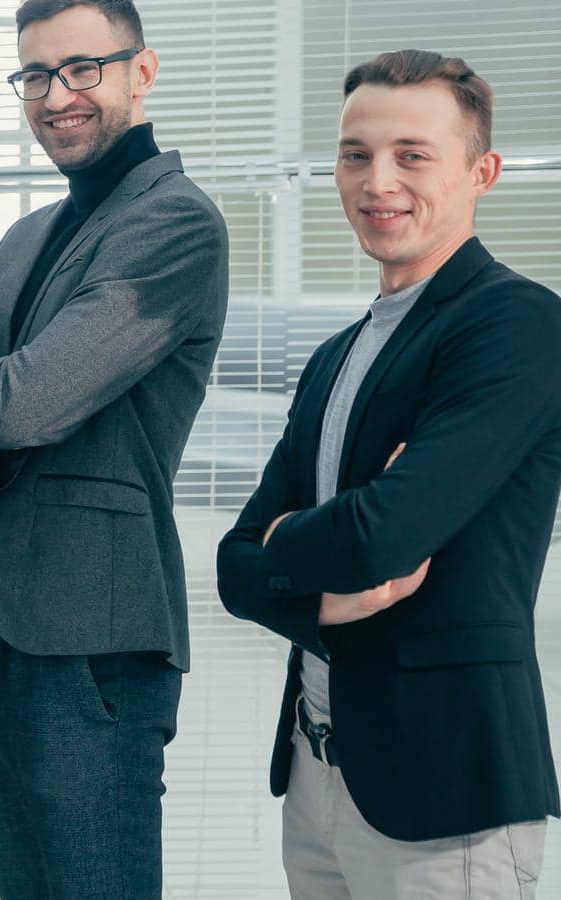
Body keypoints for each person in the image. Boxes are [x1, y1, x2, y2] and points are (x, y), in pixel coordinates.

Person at [0, 1, 229, 895]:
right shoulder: (25, 239)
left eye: (83, 68)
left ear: (141, 72)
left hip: (93, 642)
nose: (57, 95)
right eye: (35, 75)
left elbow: (29, 400)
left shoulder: (177, 223)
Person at [217, 49, 557, 898]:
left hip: (444, 789)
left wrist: (288, 540)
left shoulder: (516, 325)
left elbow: (386, 535)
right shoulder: (336, 357)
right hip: (316, 769)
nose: (378, 181)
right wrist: (318, 567)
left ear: (482, 172)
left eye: (413, 154)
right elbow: (232, 563)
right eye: (356, 153)